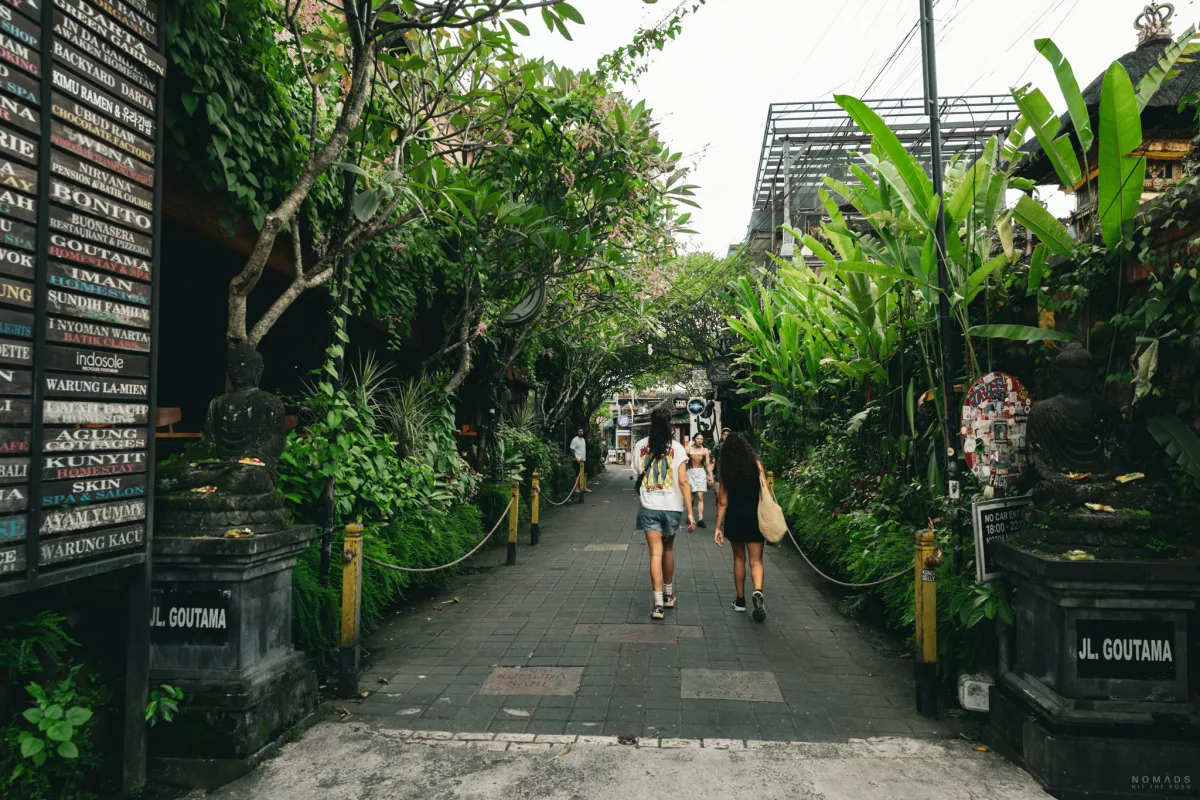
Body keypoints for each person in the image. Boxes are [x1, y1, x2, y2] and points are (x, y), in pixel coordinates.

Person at [632, 405, 695, 619]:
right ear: (670, 424)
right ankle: (668, 596)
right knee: (668, 551)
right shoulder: (677, 448)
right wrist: (690, 512)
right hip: (671, 507)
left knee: (655, 554)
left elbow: (638, 472)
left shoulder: (640, 446)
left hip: (649, 506)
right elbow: (684, 482)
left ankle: (657, 605)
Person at [713, 432, 767, 621]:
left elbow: (723, 502)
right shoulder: (757, 465)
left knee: (738, 559)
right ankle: (758, 591)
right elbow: (766, 491)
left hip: (735, 517)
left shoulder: (727, 471)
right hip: (754, 517)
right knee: (756, 560)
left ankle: (741, 600)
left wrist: (717, 527)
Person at [685, 433, 714, 528]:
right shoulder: (688, 449)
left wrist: (710, 477)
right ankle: (690, 516)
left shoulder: (705, 450)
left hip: (701, 473)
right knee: (692, 497)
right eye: (698, 438)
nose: (700, 440)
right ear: (694, 439)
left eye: (701, 439)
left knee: (700, 496)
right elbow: (684, 463)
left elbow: (708, 464)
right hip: (690, 473)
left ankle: (700, 519)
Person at [569, 427, 591, 493]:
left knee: (585, 474)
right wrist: (576, 458)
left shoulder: (583, 439)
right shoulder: (575, 440)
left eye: (581, 431)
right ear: (577, 432)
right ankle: (576, 488)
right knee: (577, 474)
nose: (580, 432)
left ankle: (584, 487)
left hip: (584, 459)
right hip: (578, 460)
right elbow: (571, 449)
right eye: (579, 431)